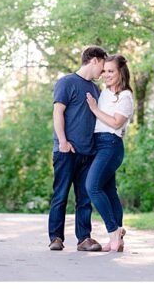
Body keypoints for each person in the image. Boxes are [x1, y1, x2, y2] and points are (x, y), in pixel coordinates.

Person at [47, 45, 107, 252]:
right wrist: (62, 141)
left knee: (85, 198)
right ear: (95, 60)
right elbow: (58, 113)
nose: (104, 71)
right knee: (60, 195)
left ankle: (84, 239)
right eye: (103, 65)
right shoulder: (66, 82)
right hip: (66, 151)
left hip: (88, 153)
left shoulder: (95, 89)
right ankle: (55, 238)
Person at [85, 54, 134, 252]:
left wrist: (95, 109)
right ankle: (117, 237)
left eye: (111, 71)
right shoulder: (104, 92)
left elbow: (116, 122)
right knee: (109, 191)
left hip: (111, 145)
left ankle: (113, 231)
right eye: (104, 70)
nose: (106, 74)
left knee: (92, 186)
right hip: (98, 145)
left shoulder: (125, 96)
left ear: (121, 72)